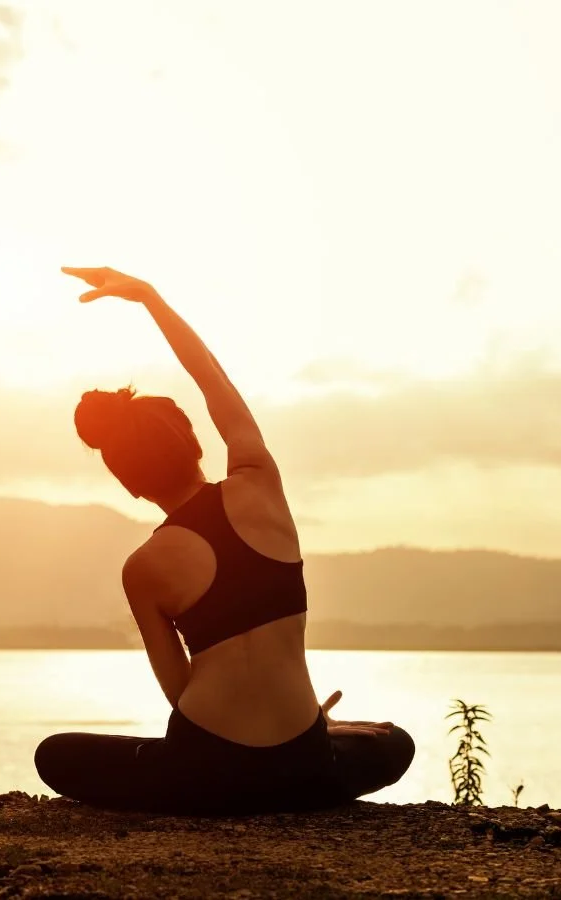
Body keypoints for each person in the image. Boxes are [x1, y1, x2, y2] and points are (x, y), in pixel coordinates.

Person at [34, 266, 415, 815]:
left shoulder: (143, 569)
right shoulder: (260, 483)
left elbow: (180, 693)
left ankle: (251, 770)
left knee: (57, 755)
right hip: (305, 767)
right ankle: (316, 741)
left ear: (130, 485)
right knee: (392, 740)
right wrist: (149, 298)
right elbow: (212, 378)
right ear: (194, 442)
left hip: (207, 777)